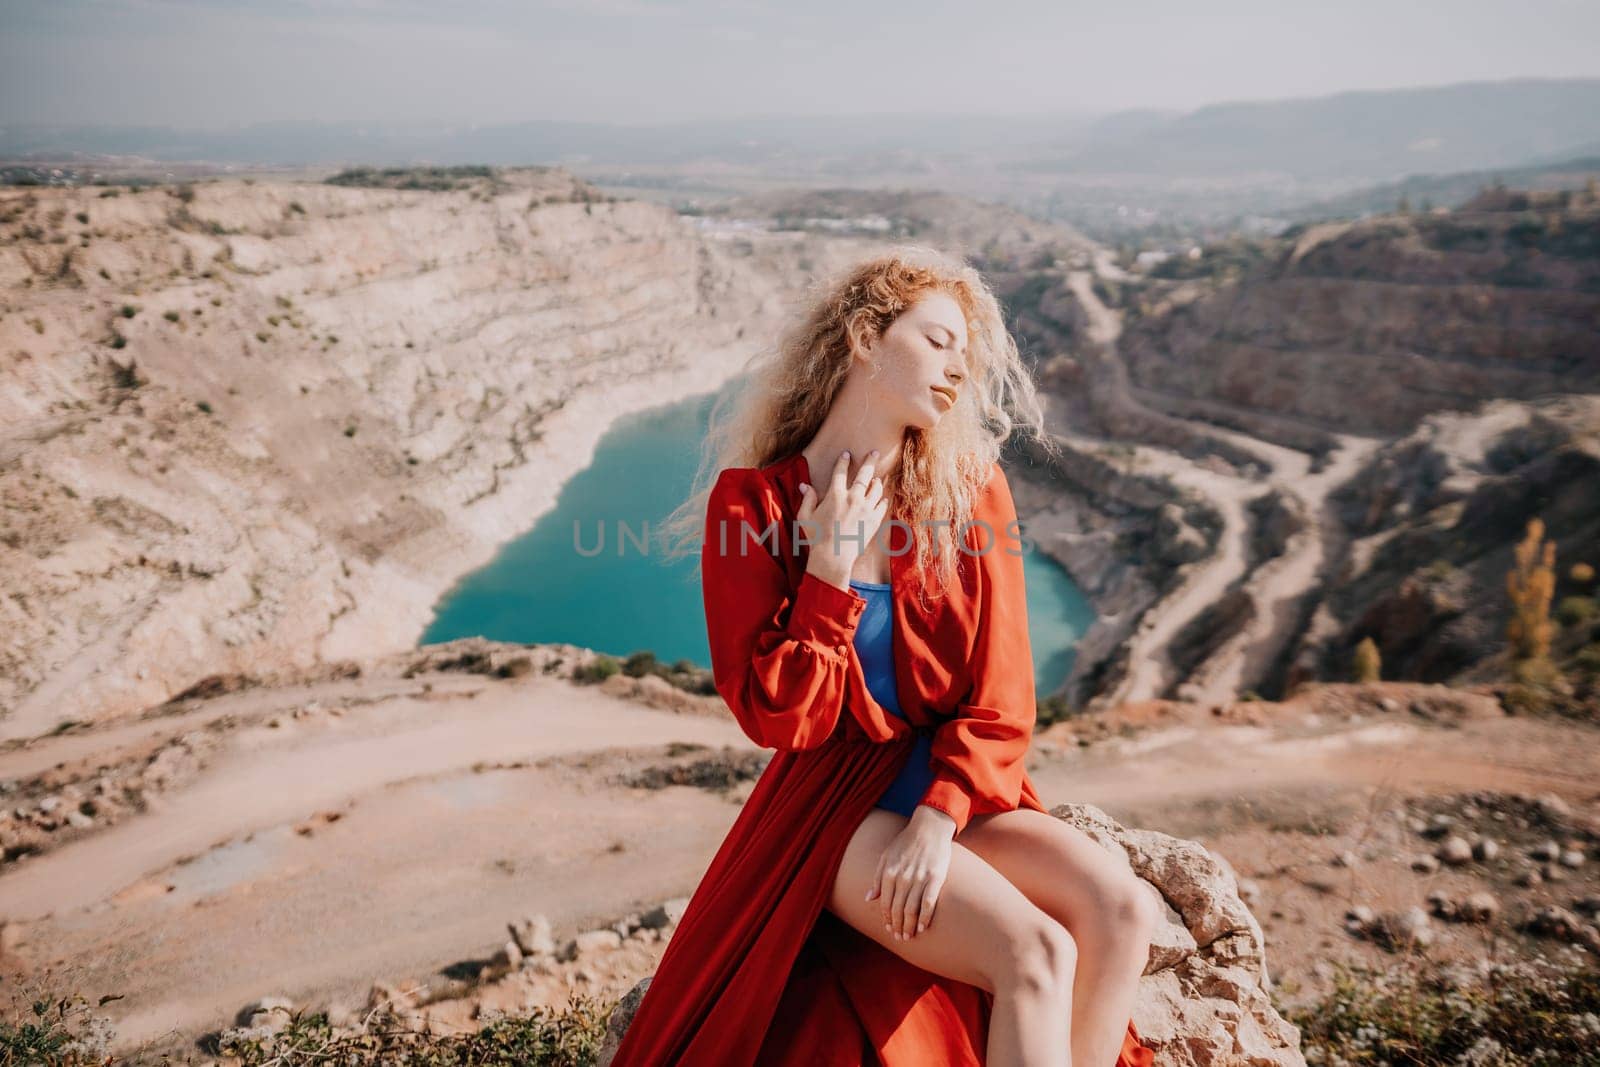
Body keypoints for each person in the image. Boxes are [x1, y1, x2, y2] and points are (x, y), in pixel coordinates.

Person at [614, 247, 1159, 1066]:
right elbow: (776, 715)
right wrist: (828, 574)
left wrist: (939, 820)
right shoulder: (753, 504)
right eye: (938, 340)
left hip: (956, 792)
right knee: (1034, 953)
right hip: (834, 811)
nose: (957, 370)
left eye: (965, 356)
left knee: (1121, 908)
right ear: (867, 335)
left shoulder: (970, 490)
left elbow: (1004, 694)